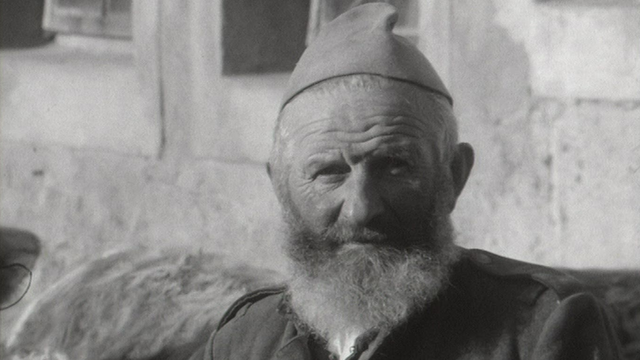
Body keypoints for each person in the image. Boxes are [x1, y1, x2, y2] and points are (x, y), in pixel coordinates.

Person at [203, 3, 622, 359]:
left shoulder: (540, 327)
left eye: (395, 166)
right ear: (280, 187)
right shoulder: (242, 341)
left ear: (454, 175)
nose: (362, 207)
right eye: (330, 172)